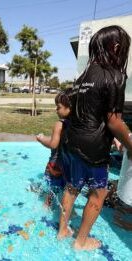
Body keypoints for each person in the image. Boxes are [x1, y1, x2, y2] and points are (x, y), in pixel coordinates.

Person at [57, 25, 132, 250]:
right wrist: (129, 141)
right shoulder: (115, 75)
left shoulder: (82, 77)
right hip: (93, 148)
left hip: (71, 142)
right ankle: (80, 242)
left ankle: (62, 231)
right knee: (99, 193)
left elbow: (88, 113)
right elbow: (114, 122)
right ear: (116, 46)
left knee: (71, 187)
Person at [36, 91, 71, 208]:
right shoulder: (78, 124)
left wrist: (41, 139)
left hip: (55, 164)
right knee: (67, 188)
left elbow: (53, 144)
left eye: (58, 107)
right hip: (70, 165)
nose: (56, 110)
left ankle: (46, 205)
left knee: (51, 186)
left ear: (69, 107)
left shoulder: (59, 124)